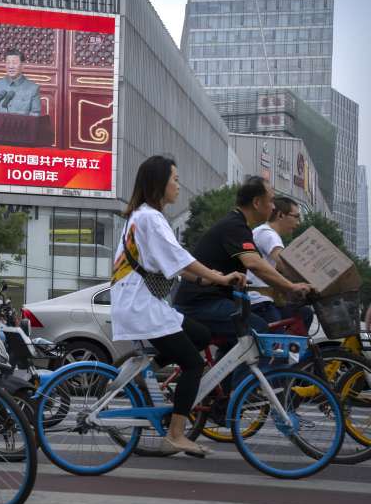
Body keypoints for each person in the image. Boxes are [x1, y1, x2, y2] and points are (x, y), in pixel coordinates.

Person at [111, 155, 246, 457]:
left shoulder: (143, 217)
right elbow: (182, 259)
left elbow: (173, 263)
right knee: (194, 363)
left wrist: (205, 281)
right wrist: (220, 278)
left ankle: (142, 376)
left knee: (199, 336)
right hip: (140, 305)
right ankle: (176, 434)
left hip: (143, 302)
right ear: (159, 183)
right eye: (175, 179)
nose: (178, 186)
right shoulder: (149, 218)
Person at [174, 176, 312, 340]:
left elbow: (259, 264)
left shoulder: (239, 225)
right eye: (271, 201)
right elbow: (255, 264)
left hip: (212, 300)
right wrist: (291, 287)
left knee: (237, 348)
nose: (274, 207)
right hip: (201, 302)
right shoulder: (235, 226)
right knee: (259, 331)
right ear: (256, 203)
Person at [246, 196, 314, 332]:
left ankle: (292, 350)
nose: (298, 222)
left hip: (265, 300)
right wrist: (312, 282)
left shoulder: (264, 232)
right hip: (259, 302)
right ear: (280, 215)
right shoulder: (268, 234)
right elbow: (285, 264)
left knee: (305, 313)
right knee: (278, 345)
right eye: (296, 217)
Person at [0, 48, 41, 116]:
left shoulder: (33, 88)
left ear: (22, 66)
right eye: (8, 63)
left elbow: (35, 115)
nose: (11, 66)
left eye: (14, 63)